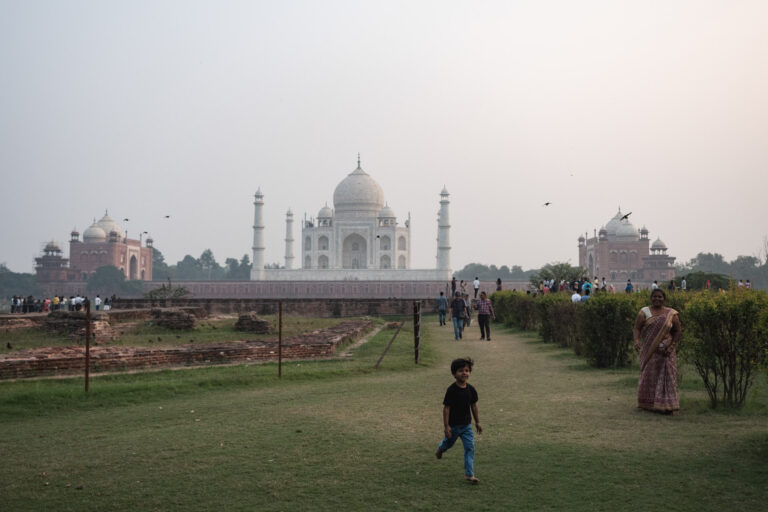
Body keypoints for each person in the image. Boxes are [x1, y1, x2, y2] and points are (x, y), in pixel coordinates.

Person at [633, 288, 682, 414]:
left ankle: (667, 405)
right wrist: (636, 341)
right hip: (650, 351)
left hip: (667, 351)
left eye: (660, 297)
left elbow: (677, 331)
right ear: (651, 298)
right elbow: (637, 328)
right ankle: (648, 403)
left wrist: (671, 346)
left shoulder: (671, 314)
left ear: (664, 299)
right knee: (649, 376)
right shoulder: (644, 312)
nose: (657, 299)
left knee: (667, 377)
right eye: (655, 296)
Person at [435, 357, 482, 484]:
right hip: (454, 426)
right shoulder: (451, 390)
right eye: (461, 370)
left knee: (470, 448)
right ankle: (440, 449)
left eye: (467, 370)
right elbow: (446, 408)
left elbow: (474, 406)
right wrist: (446, 427)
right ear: (454, 374)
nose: (464, 373)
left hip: (467, 426)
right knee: (448, 444)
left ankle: (469, 474)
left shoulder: (471, 389)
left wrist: (477, 422)